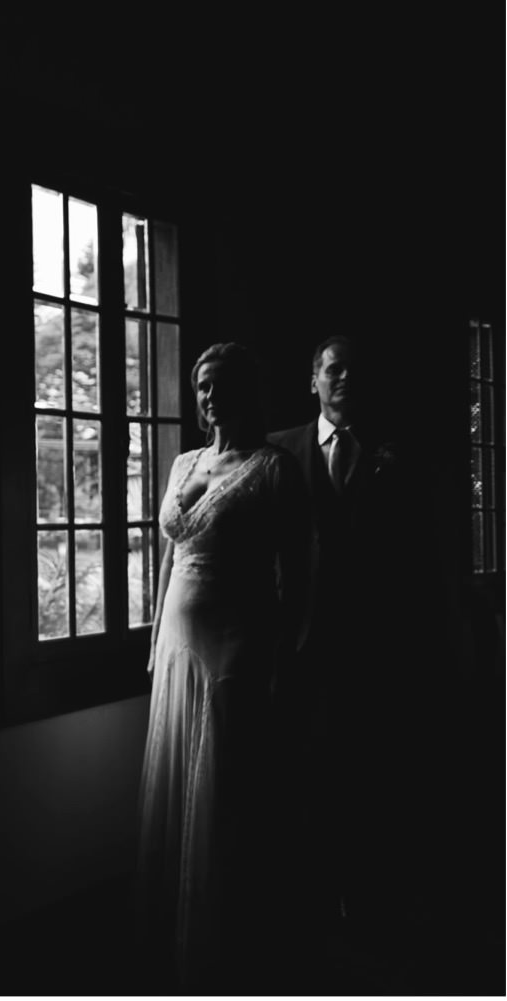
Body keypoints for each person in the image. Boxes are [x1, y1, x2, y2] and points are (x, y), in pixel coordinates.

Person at [135, 342, 310, 992]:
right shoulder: (184, 462)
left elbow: (297, 571)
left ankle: (226, 933)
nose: (208, 397)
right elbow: (168, 558)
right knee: (178, 778)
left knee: (226, 787)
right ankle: (171, 920)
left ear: (244, 389)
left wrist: (285, 654)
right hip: (177, 648)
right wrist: (156, 638)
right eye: (200, 387)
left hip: (238, 643)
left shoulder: (274, 468)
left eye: (219, 384)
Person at [266, 335, 396, 948]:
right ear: (313, 380)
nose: (344, 378)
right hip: (296, 636)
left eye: (352, 371)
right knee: (299, 766)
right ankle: (303, 893)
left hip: (367, 638)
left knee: (360, 766)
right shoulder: (279, 449)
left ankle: (358, 892)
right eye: (333, 369)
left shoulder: (389, 451)